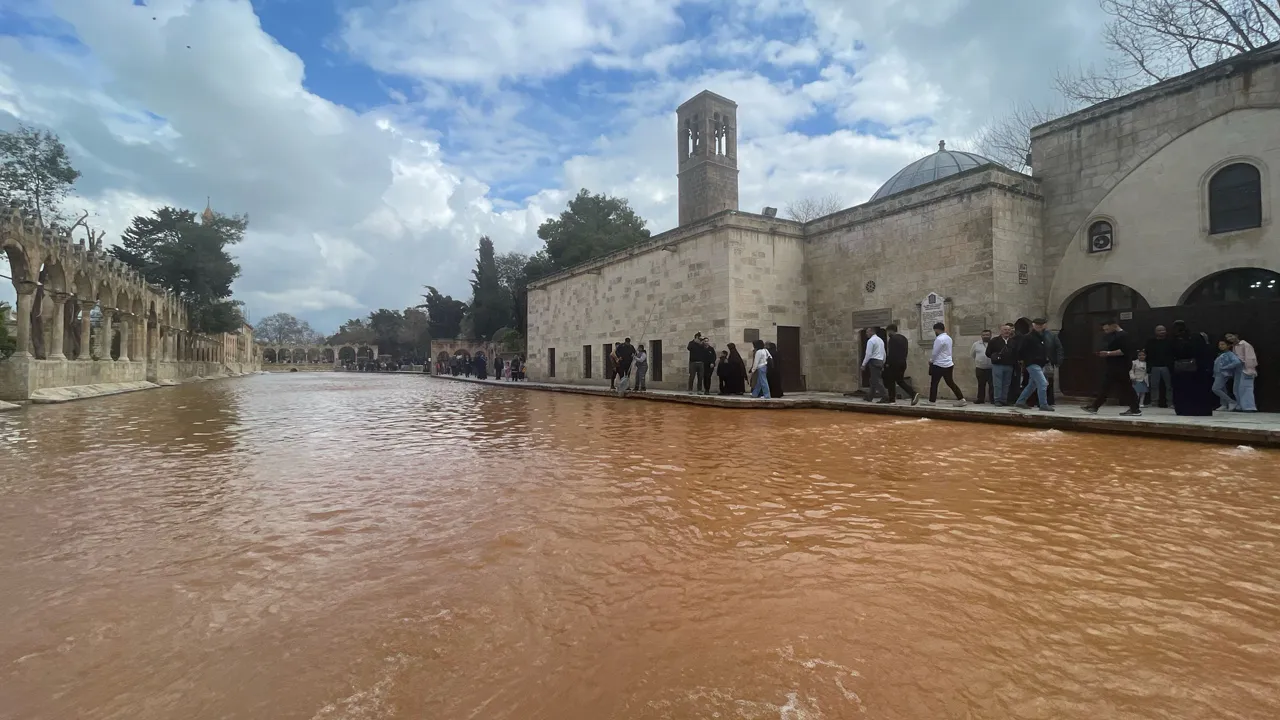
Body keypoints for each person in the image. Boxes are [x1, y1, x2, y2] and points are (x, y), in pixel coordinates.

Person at [1082, 318, 1141, 416]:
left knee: (1121, 387)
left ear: (1114, 325)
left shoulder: (1123, 336)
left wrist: (1108, 353)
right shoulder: (1113, 336)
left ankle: (1135, 409)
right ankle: (1095, 406)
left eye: (1107, 329)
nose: (1106, 332)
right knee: (1112, 386)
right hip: (1114, 365)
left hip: (1120, 366)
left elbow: (1124, 351)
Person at [1170, 321, 1214, 416]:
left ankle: (1186, 409)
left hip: (1185, 370)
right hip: (1197, 369)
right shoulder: (1195, 338)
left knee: (1185, 390)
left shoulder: (1179, 340)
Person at [1013, 318, 1054, 411]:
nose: (1039, 326)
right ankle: (1043, 404)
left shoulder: (1042, 336)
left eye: (1041, 324)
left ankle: (1020, 401)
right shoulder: (1028, 337)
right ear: (1033, 325)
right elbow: (1020, 350)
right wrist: (1025, 360)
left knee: (1032, 384)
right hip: (1032, 363)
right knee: (1043, 383)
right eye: (1037, 324)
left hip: (1040, 363)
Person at [928, 322, 967, 406]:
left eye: (935, 330)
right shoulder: (949, 338)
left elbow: (935, 352)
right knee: (950, 382)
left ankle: (931, 401)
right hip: (948, 364)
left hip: (938, 364)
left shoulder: (939, 339)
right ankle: (961, 399)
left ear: (937, 330)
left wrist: (931, 360)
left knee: (934, 383)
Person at [883, 324, 920, 405]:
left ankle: (892, 399)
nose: (888, 333)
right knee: (900, 381)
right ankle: (912, 394)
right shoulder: (904, 338)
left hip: (894, 363)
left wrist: (887, 363)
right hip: (903, 363)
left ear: (890, 330)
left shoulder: (892, 339)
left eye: (888, 331)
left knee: (891, 380)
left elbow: (891, 353)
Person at [986, 323, 1017, 407]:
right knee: (997, 384)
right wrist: (995, 357)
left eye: (1008, 330)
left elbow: (1015, 353)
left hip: (1009, 365)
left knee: (1006, 384)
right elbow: (988, 352)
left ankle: (1004, 400)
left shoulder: (1013, 342)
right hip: (998, 365)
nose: (1007, 331)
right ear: (1001, 331)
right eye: (1005, 330)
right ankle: (997, 400)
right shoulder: (994, 341)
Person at [1226, 332, 1258, 412]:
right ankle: (1240, 406)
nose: (1229, 338)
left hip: (1246, 369)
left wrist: (1249, 369)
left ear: (1236, 335)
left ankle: (1249, 407)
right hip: (1238, 369)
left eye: (1230, 336)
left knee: (1246, 388)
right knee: (1237, 389)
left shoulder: (1245, 345)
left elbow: (1251, 358)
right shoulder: (1234, 346)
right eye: (1227, 337)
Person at [1143, 325, 1174, 408]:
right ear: (1155, 332)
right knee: (1154, 386)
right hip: (1154, 366)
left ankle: (1170, 402)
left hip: (1167, 366)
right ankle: (1154, 402)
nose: (1162, 332)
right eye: (1159, 330)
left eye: (1163, 330)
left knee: (1169, 386)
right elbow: (1147, 354)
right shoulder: (1150, 342)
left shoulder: (1170, 341)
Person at [1212, 339, 1244, 412]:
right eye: (1219, 345)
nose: (1221, 346)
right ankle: (1224, 404)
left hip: (1223, 373)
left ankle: (1231, 402)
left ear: (1228, 346)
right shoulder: (1221, 354)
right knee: (1222, 389)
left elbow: (1237, 362)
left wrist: (1226, 367)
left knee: (1216, 388)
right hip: (1217, 373)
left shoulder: (1230, 354)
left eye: (1223, 344)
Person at [862, 327, 887, 402]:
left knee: (876, 380)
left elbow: (868, 354)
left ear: (872, 332)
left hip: (873, 361)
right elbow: (884, 353)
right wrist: (883, 362)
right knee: (872, 380)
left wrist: (863, 364)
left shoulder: (871, 341)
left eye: (867, 332)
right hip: (880, 361)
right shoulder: (880, 340)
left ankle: (885, 396)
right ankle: (870, 396)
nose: (866, 334)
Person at [971, 329, 992, 404]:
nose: (985, 336)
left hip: (991, 368)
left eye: (987, 335)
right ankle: (980, 399)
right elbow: (972, 354)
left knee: (992, 385)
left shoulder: (993, 343)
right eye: (984, 335)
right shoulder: (976, 344)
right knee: (981, 384)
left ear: (990, 335)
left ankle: (992, 399)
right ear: (981, 336)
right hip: (980, 368)